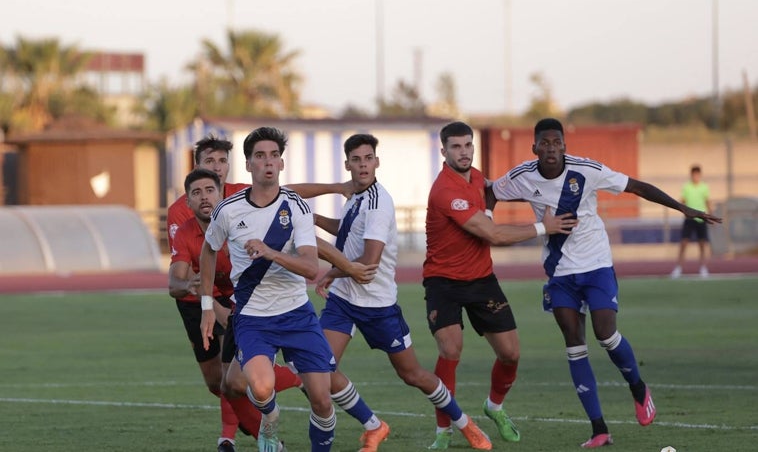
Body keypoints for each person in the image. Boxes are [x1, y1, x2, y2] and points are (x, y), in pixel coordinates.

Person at [489, 118, 722, 448]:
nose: (552, 148)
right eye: (545, 143)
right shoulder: (522, 177)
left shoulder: (586, 170)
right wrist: (485, 220)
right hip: (559, 273)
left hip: (596, 263)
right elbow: (488, 190)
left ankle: (638, 388)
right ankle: (599, 428)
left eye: (557, 142)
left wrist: (683, 208)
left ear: (565, 146)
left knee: (605, 332)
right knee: (574, 343)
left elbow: (637, 186)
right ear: (535, 148)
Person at [167, 133, 357, 452]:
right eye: (259, 155)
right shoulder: (225, 209)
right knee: (248, 384)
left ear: (280, 162)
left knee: (322, 400)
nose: (267, 161)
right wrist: (207, 305)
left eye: (273, 155)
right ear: (249, 163)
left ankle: (261, 418)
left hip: (296, 314)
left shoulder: (294, 207)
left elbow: (311, 267)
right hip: (251, 313)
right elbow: (207, 253)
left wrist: (276, 253)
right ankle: (263, 419)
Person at [314, 134, 493, 451]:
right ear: (348, 165)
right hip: (343, 300)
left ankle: (465, 423)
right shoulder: (355, 195)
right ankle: (374, 425)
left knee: (412, 374)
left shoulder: (379, 203)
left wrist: (330, 268)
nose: (363, 164)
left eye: (368, 158)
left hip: (377, 304)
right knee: (319, 369)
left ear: (377, 162)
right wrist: (311, 218)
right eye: (356, 159)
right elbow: (345, 229)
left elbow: (369, 263)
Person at [423, 121, 578, 450]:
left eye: (468, 146)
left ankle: (493, 407)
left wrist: (531, 195)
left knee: (511, 354)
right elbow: (491, 235)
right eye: (456, 147)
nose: (463, 152)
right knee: (450, 350)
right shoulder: (445, 190)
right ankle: (443, 431)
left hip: (481, 279)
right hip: (443, 282)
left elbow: (494, 191)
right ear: (443, 152)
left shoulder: (477, 177)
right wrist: (543, 227)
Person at [670, 165, 712, 279]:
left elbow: (708, 201)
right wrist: (681, 208)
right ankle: (678, 268)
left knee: (702, 244)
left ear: (700, 175)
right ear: (691, 175)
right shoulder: (687, 187)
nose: (696, 177)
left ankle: (703, 268)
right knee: (683, 243)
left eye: (698, 175)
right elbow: (682, 200)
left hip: (701, 218)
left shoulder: (704, 187)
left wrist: (710, 215)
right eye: (694, 175)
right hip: (689, 219)